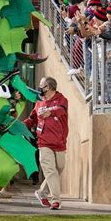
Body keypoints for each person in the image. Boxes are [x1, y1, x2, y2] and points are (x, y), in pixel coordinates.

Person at [24, 77, 68, 210]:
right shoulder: (39, 103)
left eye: (41, 85)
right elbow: (31, 119)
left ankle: (41, 192)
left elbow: (62, 110)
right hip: (43, 142)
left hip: (59, 142)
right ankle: (56, 200)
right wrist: (19, 126)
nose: (39, 87)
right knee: (50, 170)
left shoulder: (61, 99)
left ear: (48, 87)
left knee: (59, 168)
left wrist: (51, 112)